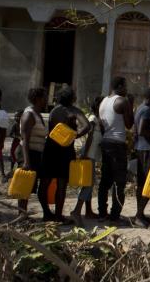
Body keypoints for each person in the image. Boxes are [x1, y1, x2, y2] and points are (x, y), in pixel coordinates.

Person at [40, 86, 90, 222]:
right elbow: (87, 126)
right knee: (61, 184)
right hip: (65, 151)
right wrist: (75, 135)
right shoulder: (73, 111)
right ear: (71, 98)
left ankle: (46, 213)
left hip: (50, 149)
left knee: (45, 182)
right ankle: (58, 216)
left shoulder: (54, 111)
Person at [98, 76, 133, 224]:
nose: (126, 90)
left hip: (105, 142)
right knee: (119, 182)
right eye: (125, 87)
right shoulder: (122, 101)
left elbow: (101, 125)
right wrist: (130, 105)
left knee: (105, 180)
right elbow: (129, 124)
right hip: (117, 144)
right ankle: (115, 216)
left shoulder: (103, 101)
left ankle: (102, 213)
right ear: (119, 87)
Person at [72, 95, 103, 223]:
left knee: (89, 183)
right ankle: (76, 210)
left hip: (92, 155)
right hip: (88, 154)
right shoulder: (92, 119)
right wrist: (85, 154)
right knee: (88, 184)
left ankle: (88, 211)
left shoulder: (99, 119)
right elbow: (89, 137)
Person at [18, 87, 48, 216]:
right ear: (37, 99)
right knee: (25, 186)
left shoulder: (38, 114)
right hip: (28, 152)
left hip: (37, 153)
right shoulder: (29, 114)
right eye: (44, 97)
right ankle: (21, 214)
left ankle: (27, 213)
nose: (46, 100)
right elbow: (25, 139)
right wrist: (26, 161)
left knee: (33, 185)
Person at [133, 87, 150, 227]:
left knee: (142, 183)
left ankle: (140, 214)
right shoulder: (146, 110)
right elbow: (142, 130)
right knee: (148, 182)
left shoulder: (139, 108)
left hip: (140, 148)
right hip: (146, 149)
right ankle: (139, 215)